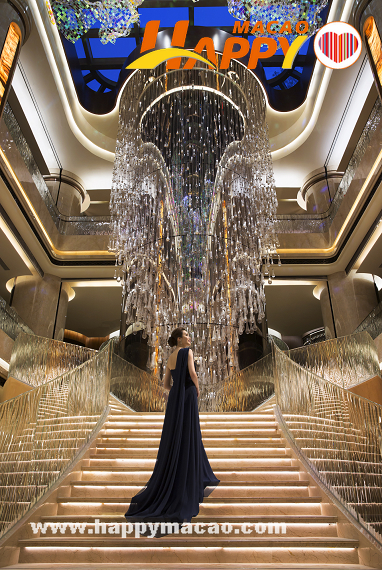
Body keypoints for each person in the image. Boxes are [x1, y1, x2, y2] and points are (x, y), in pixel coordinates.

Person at [124, 327, 220, 532]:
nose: (189, 337)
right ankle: (187, 482)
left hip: (175, 398)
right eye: (186, 335)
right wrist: (197, 388)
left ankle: (170, 482)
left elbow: (166, 385)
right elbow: (193, 373)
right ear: (179, 339)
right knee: (188, 435)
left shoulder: (169, 358)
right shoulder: (187, 352)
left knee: (175, 436)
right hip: (186, 395)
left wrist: (177, 391)